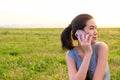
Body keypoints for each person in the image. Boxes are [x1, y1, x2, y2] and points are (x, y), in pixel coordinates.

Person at [61, 14, 110, 80]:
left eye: (96, 28)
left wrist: (88, 52)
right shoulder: (70, 55)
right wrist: (88, 53)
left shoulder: (101, 48)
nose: (96, 32)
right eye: (91, 28)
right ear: (79, 32)